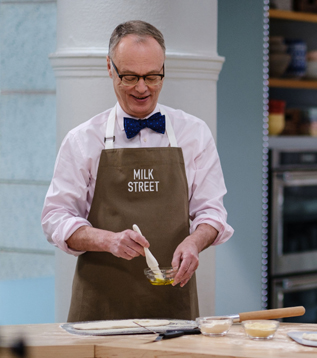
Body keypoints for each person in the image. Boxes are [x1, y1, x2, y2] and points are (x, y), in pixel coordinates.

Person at [41, 20, 233, 322]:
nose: (142, 88)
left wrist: (194, 242)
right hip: (99, 307)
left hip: (172, 304)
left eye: (153, 77)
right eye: (130, 76)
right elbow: (55, 218)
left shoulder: (194, 133)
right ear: (109, 67)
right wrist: (107, 240)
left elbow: (212, 213)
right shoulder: (82, 139)